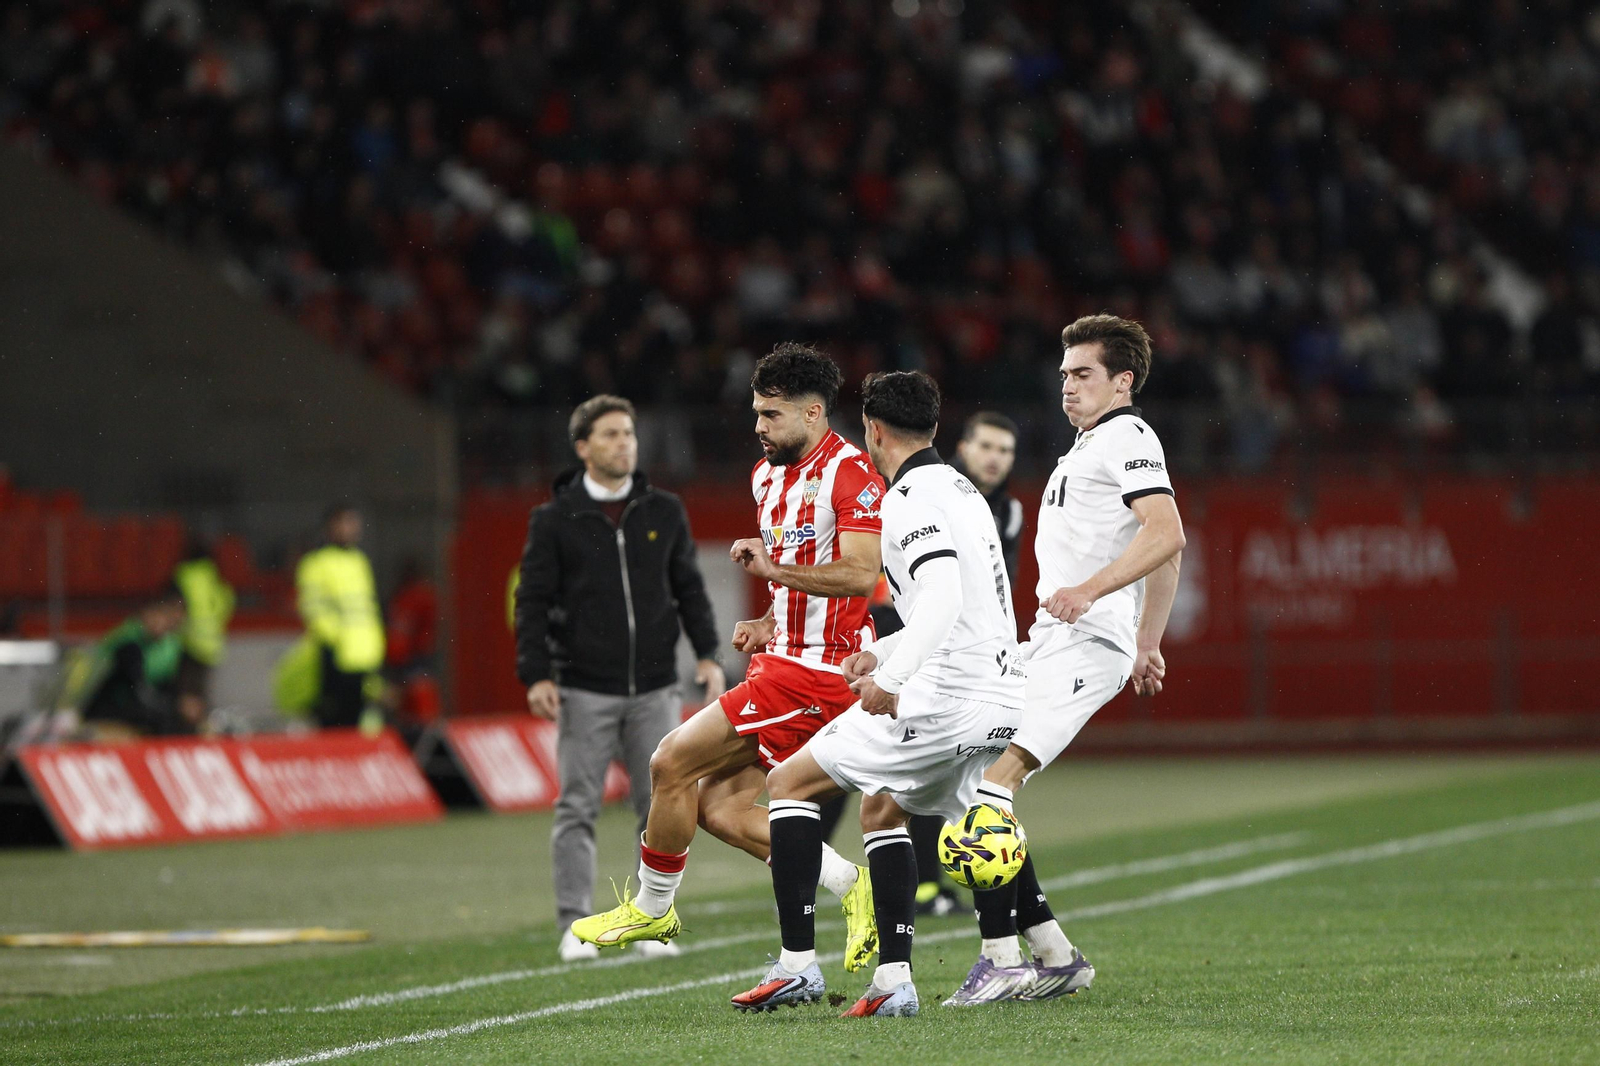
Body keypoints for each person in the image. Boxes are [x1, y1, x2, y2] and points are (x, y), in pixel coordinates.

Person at [569, 344, 883, 974]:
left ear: (814, 413)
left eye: (771, 415)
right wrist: (768, 618)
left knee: (670, 762)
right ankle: (855, 886)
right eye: (756, 413)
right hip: (780, 661)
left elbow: (860, 574)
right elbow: (794, 576)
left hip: (820, 673)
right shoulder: (766, 475)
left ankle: (655, 906)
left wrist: (771, 569)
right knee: (720, 809)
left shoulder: (852, 475)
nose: (758, 427)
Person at [731, 370, 1026, 1018]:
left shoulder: (907, 499)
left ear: (873, 430)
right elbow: (974, 605)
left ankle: (796, 967)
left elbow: (944, 598)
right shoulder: (964, 491)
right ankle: (903, 977)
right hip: (1001, 690)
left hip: (950, 697)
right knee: (883, 809)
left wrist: (891, 681)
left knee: (789, 785)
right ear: (936, 427)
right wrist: (885, 652)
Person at [943, 313, 1185, 1006]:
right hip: (1061, 639)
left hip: (1083, 639)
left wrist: (1097, 594)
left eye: (1083, 375)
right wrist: (1149, 642)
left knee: (989, 786)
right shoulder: (1088, 447)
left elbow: (1167, 531)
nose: (1067, 387)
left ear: (1123, 381)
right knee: (970, 773)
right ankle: (1051, 950)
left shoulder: (1129, 435)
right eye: (1064, 375)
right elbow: (1171, 547)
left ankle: (999, 958)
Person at [516, 394, 726, 962]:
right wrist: (536, 672)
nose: (623, 444)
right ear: (582, 447)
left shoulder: (664, 510)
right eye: (609, 435)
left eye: (628, 434)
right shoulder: (553, 519)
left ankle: (649, 921)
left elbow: (688, 587)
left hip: (656, 686)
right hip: (584, 686)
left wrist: (707, 652)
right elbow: (531, 601)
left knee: (657, 805)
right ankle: (573, 924)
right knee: (577, 806)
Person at [906, 411, 1025, 916]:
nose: (995, 458)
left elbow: (1001, 591)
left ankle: (931, 886)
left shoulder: (1009, 512)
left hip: (967, 655)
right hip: (906, 638)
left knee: (945, 766)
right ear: (963, 446)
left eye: (1006, 450)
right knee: (886, 772)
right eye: (987, 446)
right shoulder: (934, 489)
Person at [296, 505, 386, 730]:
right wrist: (335, 640)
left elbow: (367, 608)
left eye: (353, 523)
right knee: (335, 719)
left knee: (361, 717)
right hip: (336, 655)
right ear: (330, 527)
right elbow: (313, 609)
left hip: (365, 654)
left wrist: (375, 645)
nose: (351, 528)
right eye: (345, 523)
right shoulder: (316, 563)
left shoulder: (359, 561)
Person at [74, 585, 190, 736]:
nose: (159, 623)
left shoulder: (169, 646)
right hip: (108, 707)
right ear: (144, 616)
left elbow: (166, 684)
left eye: (164, 618)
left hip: (135, 703)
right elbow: (134, 687)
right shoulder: (128, 642)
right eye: (155, 616)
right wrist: (169, 707)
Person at [172, 538, 235, 731]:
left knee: (185, 694)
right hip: (211, 646)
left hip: (188, 643)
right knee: (200, 694)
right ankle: (201, 729)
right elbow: (227, 601)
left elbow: (175, 606)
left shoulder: (183, 574)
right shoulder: (213, 575)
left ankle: (186, 731)